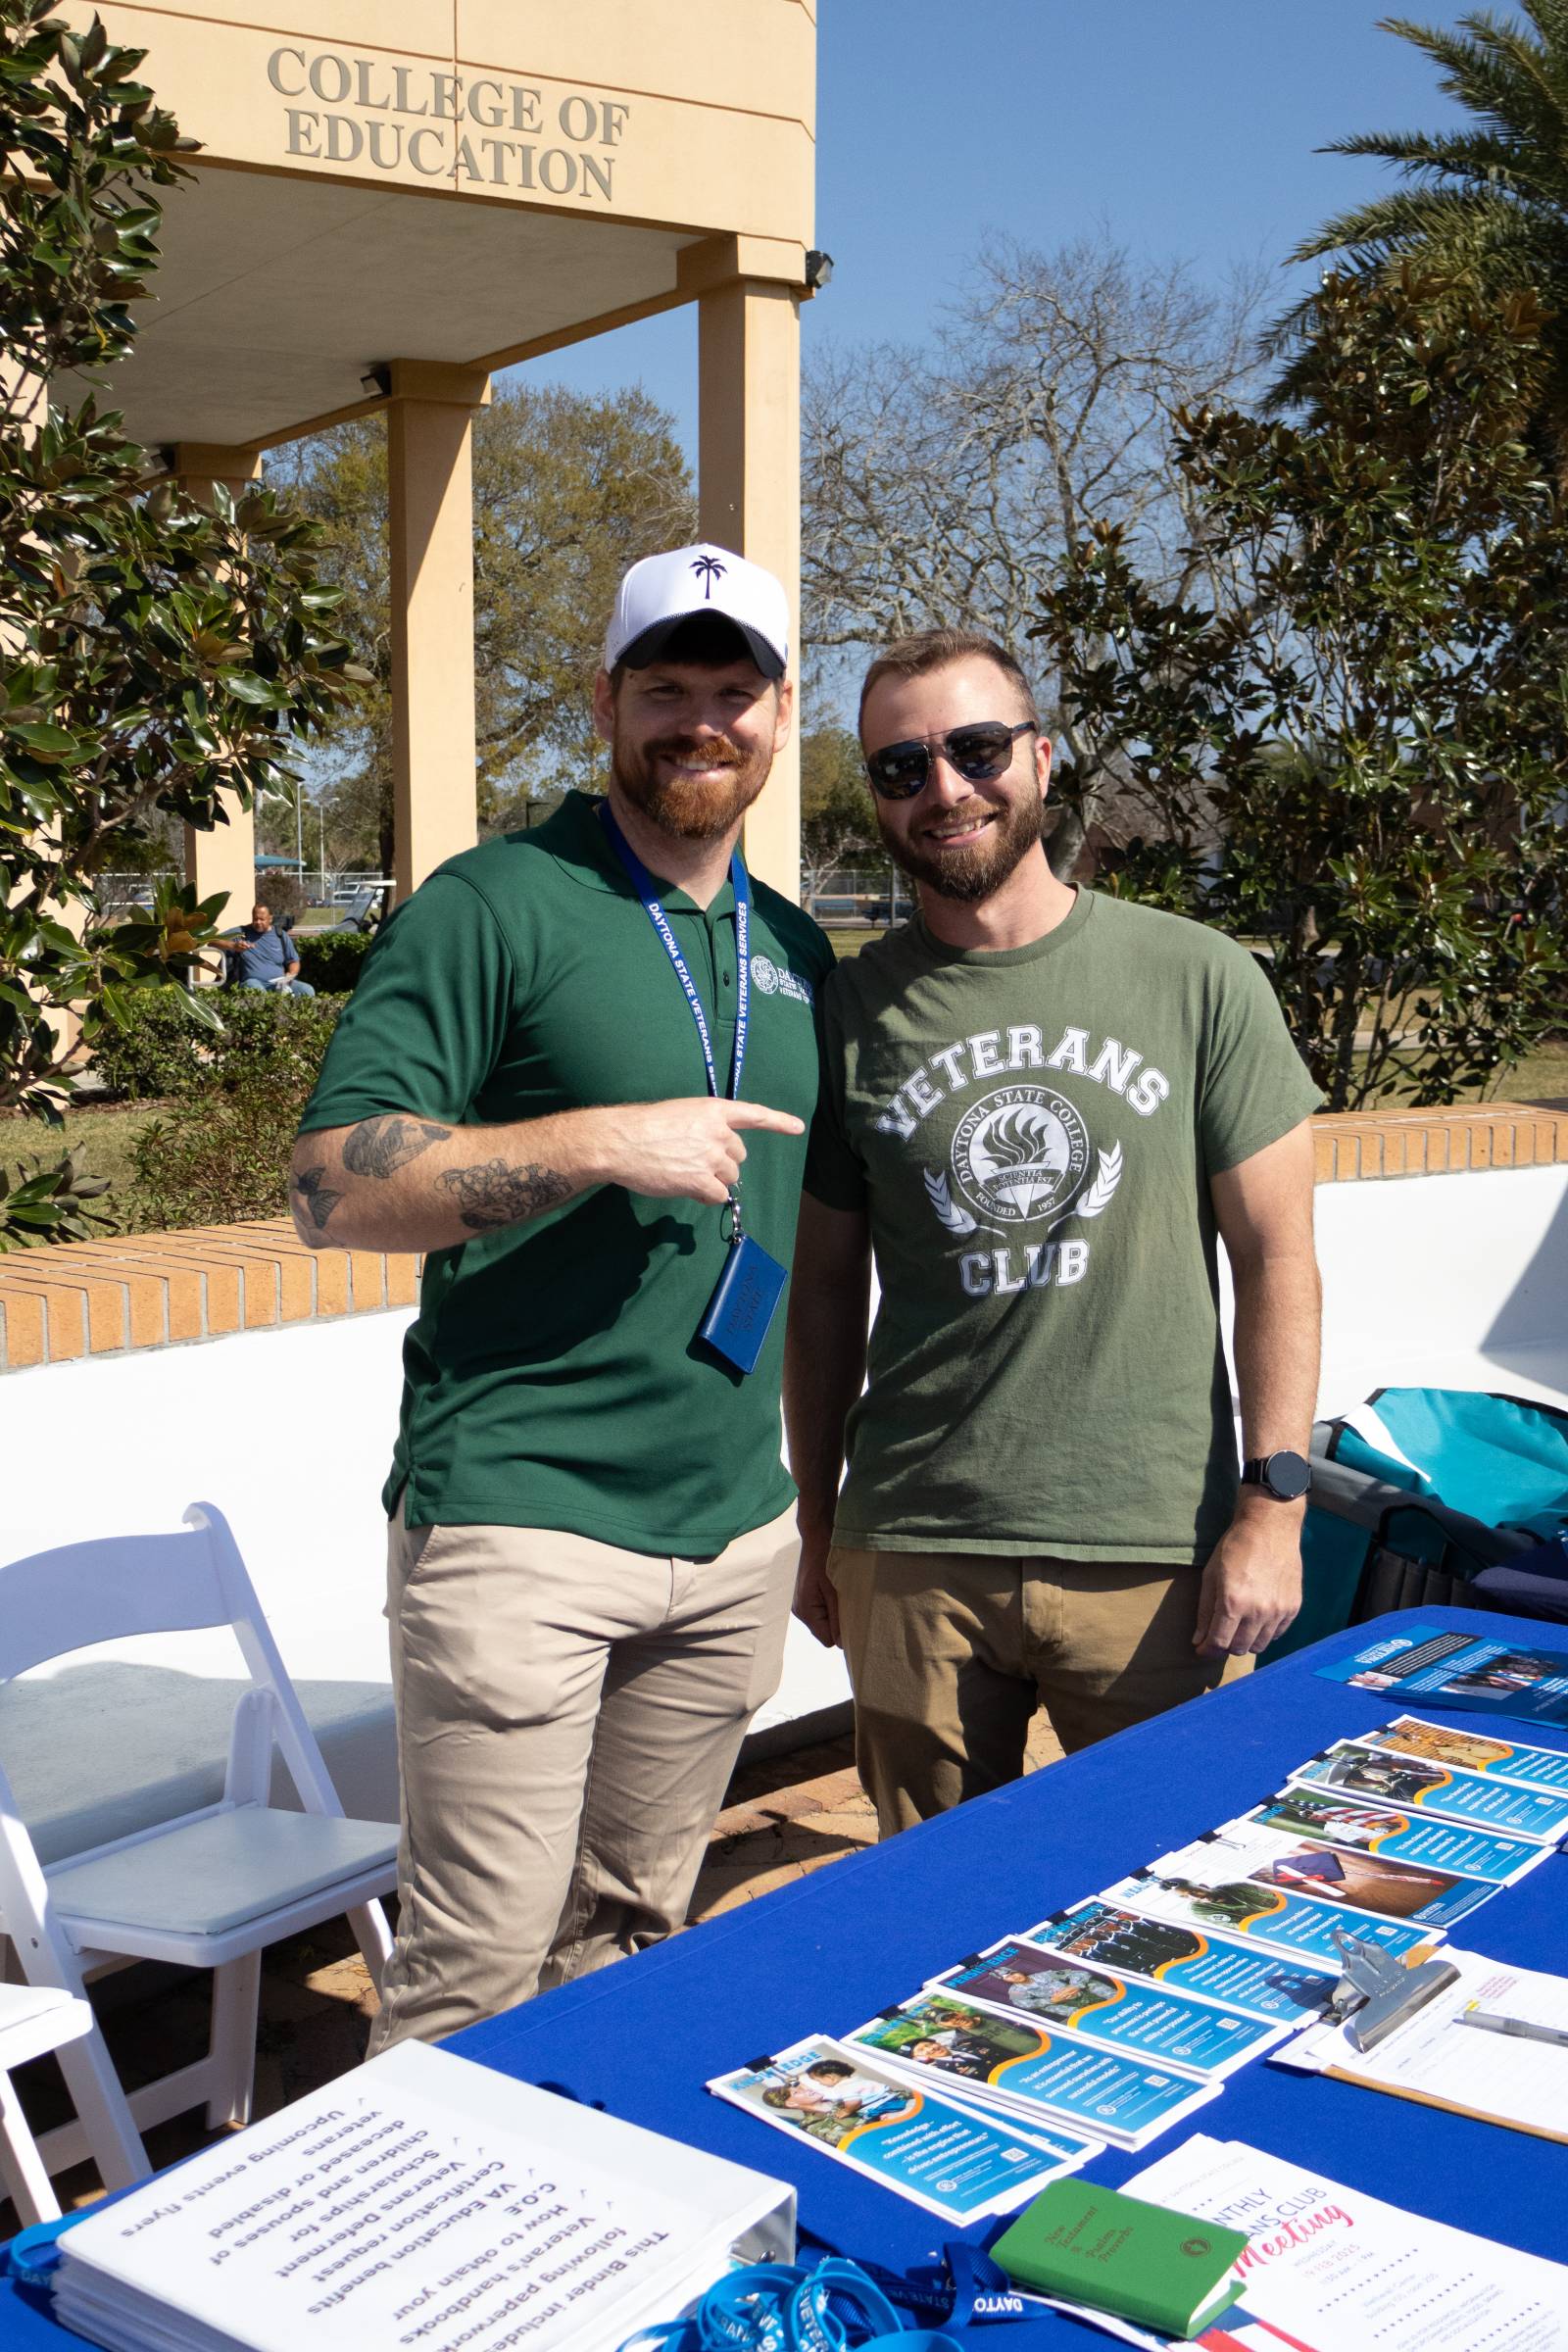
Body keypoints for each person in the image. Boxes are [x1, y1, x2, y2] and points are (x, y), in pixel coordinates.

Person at [288, 543, 834, 2050]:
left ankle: (567, 2251)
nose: (702, 722)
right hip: (522, 1526)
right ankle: (395, 2276)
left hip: (728, 1536)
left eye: (738, 691)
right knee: (474, 1974)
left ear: (785, 717)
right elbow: (330, 1186)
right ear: (606, 697)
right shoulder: (496, 906)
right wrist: (594, 1145)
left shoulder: (791, 948)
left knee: (630, 1937)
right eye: (668, 686)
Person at [787, 627, 1322, 1838]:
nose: (944, 790)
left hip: (1146, 1548)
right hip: (913, 1546)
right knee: (931, 1910)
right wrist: (820, 1523)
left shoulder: (1194, 977)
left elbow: (1275, 1256)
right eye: (900, 767)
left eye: (975, 750)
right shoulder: (851, 1011)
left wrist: (1273, 1511)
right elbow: (822, 1290)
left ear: (1038, 757)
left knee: (1169, 1885)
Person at [227, 902, 316, 995]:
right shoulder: (242, 932)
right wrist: (233, 946)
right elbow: (214, 940)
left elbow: (293, 961)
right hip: (252, 982)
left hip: (279, 983)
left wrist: (290, 975)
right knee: (257, 990)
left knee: (307, 990)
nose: (258, 922)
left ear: (270, 919)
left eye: (262, 919)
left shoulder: (280, 936)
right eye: (255, 919)